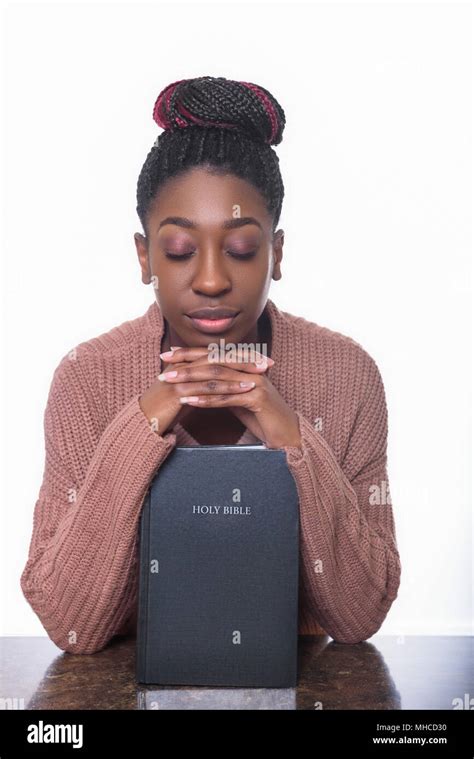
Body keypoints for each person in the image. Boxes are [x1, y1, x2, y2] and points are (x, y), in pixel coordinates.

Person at [20, 76, 401, 654]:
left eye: (243, 250)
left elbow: (359, 616)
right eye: (178, 251)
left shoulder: (347, 375)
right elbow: (68, 624)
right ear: (145, 257)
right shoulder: (87, 377)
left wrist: (291, 436)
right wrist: (144, 421)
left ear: (276, 253)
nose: (212, 279)